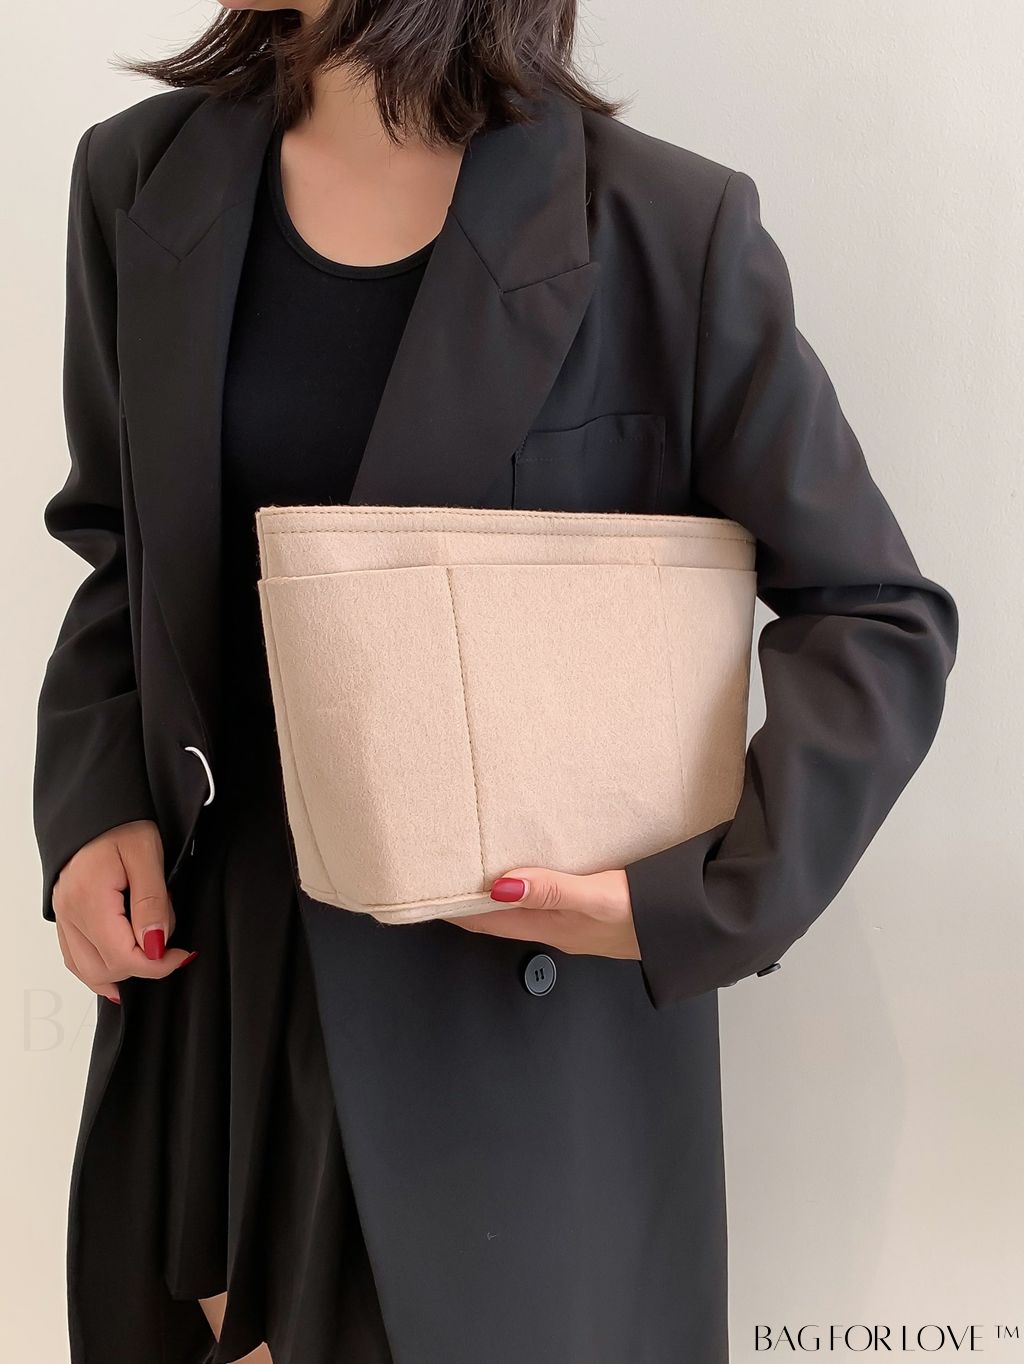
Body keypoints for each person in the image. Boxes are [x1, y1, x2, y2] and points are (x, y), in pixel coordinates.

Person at [32, 1, 959, 1361]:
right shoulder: (141, 176)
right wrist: (94, 798)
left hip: (507, 1031)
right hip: (215, 992)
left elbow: (875, 610)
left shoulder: (664, 227)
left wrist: (697, 899)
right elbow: (119, 542)